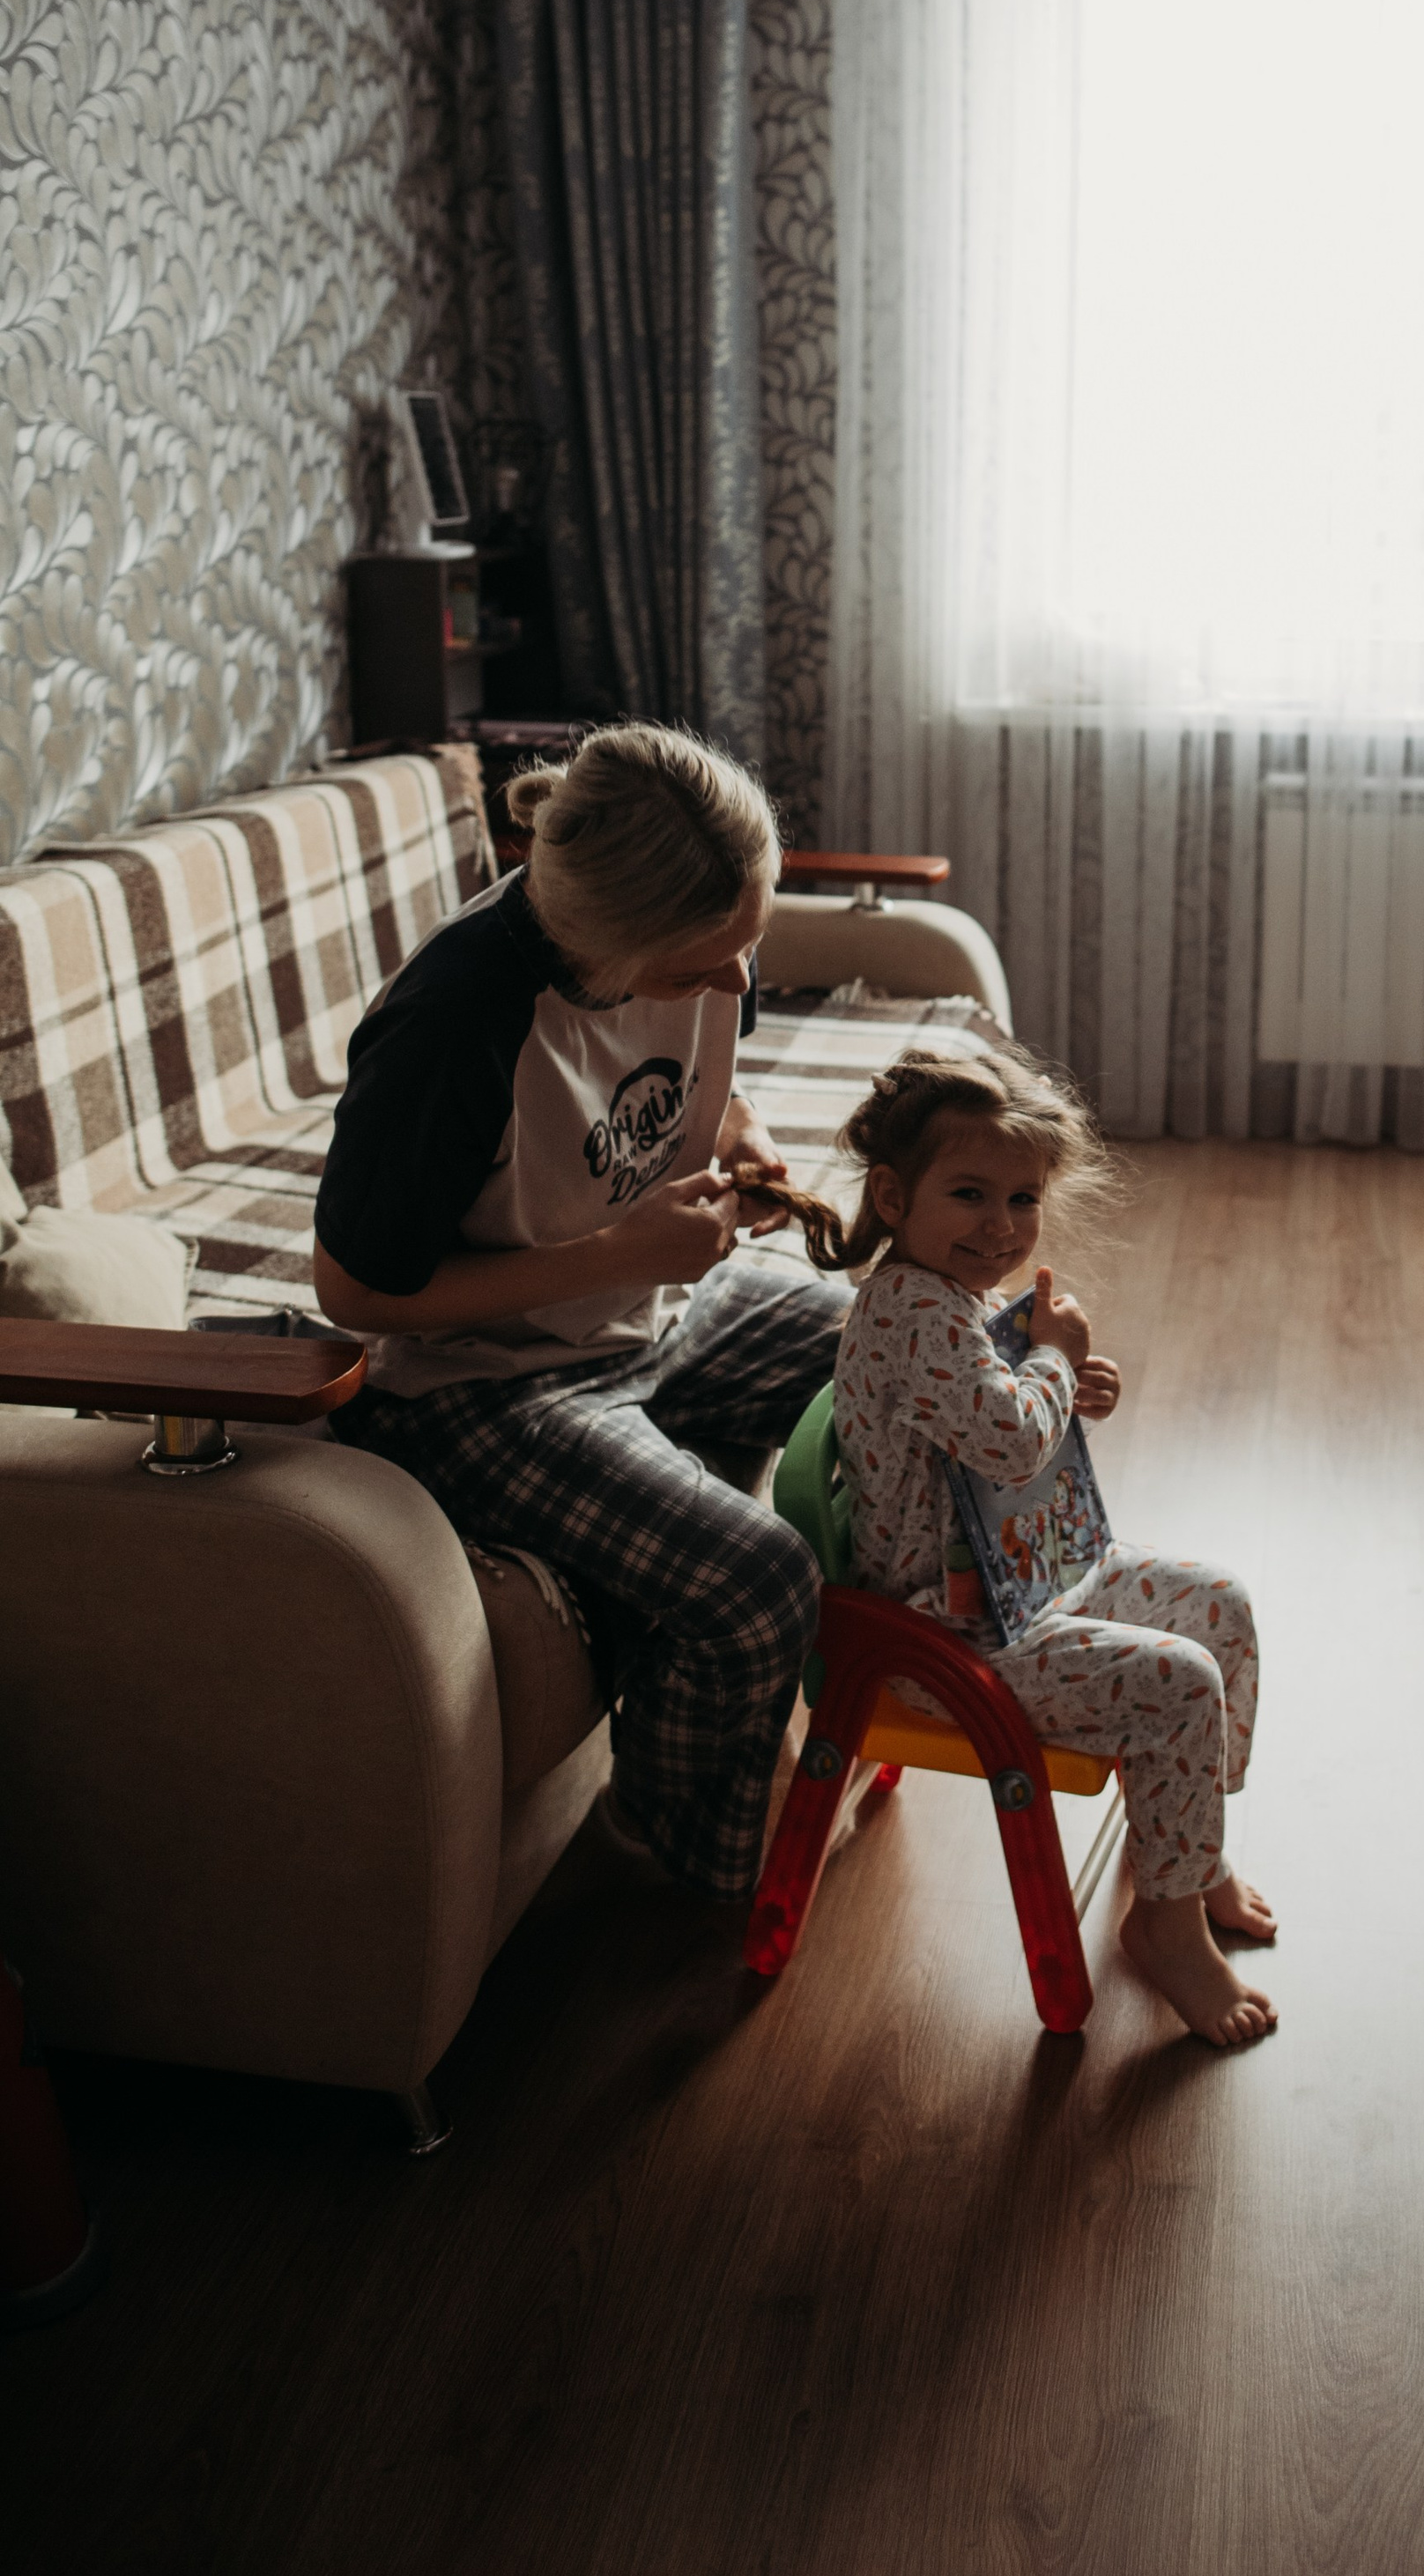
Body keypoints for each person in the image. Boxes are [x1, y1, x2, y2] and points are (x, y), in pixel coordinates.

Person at [313, 722, 843, 1903]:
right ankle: (661, 1834)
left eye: (745, 948)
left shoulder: (705, 938)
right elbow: (352, 1292)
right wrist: (617, 1250)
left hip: (652, 1311)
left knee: (894, 1357)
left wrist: (744, 1136)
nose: (735, 984)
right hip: (480, 1383)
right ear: (608, 940)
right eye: (699, 968)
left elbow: (702, 1073)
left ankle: (874, 1688)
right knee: (757, 1579)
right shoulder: (453, 1023)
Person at [804, 1048, 1279, 2052]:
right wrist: (1055, 1367)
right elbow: (1013, 1435)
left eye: (1023, 1199)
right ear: (892, 1196)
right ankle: (1166, 1924)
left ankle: (1187, 1855)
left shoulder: (952, 1293)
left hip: (1021, 1573)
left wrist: (1067, 1383)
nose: (1002, 1225)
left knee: (1221, 1607)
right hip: (947, 1632)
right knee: (1182, 1682)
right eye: (969, 1193)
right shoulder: (914, 1312)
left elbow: (1005, 1418)